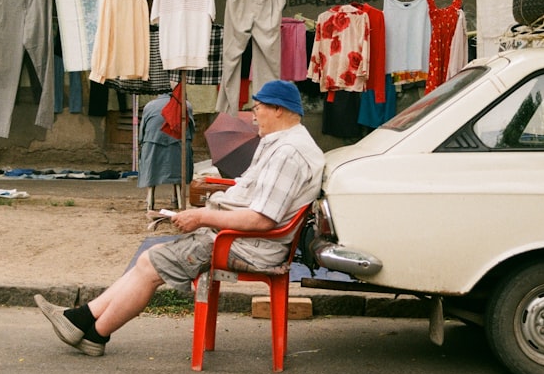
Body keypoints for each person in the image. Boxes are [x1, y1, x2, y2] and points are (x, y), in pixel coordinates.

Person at [34, 80, 326, 356]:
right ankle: (81, 322)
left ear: (278, 109)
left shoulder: (288, 152)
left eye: (258, 107)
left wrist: (202, 217)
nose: (253, 115)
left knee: (150, 264)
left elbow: (262, 220)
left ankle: (94, 333)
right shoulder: (281, 142)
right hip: (240, 236)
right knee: (150, 257)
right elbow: (254, 192)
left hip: (247, 244)